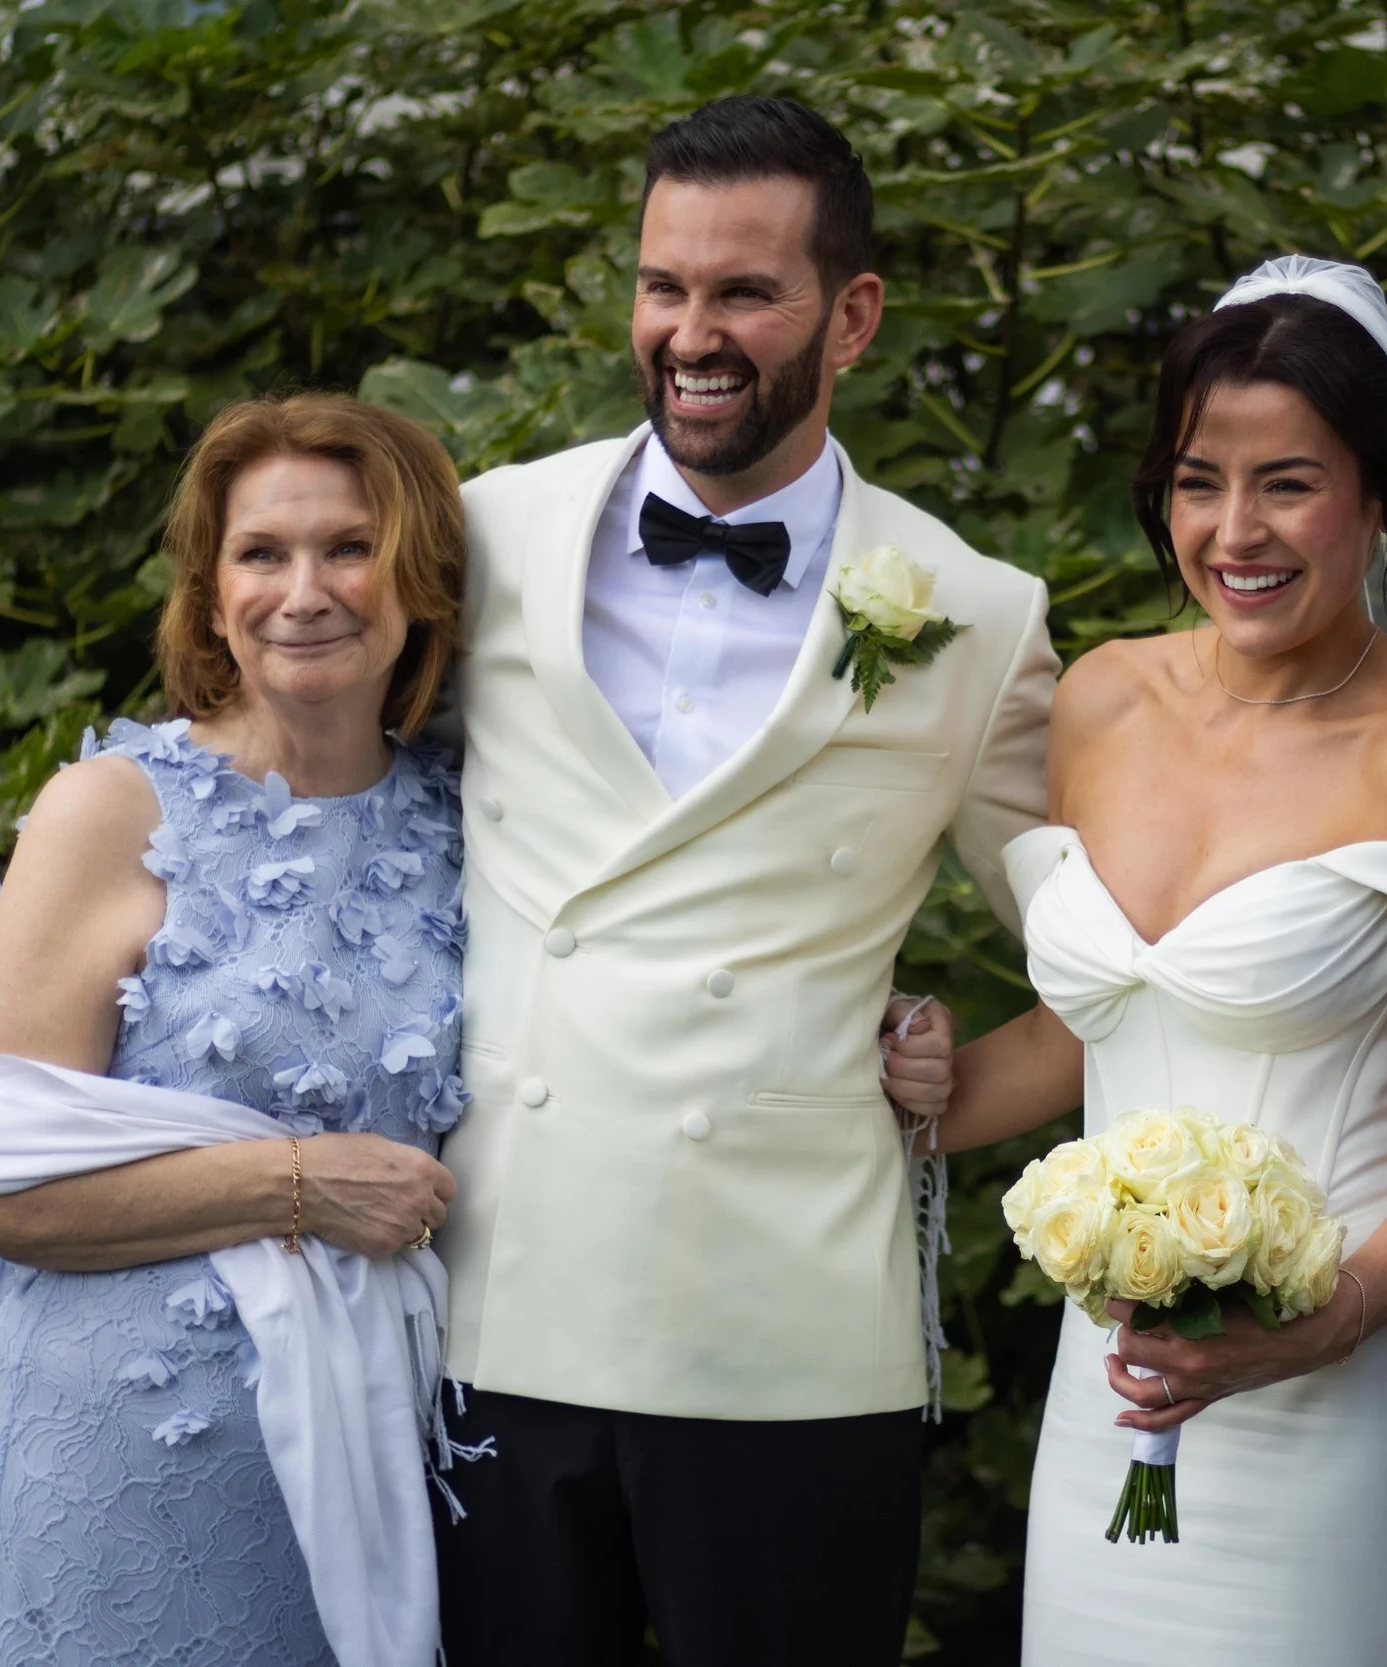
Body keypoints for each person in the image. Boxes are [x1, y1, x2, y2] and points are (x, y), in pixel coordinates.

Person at [429, 96, 1057, 1667]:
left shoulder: (972, 613)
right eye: (663, 286)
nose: (690, 334)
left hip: (788, 1333)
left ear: (852, 315)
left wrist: (958, 1085)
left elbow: (1109, 951)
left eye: (742, 293)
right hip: (500, 1296)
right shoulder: (484, 530)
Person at [886, 257, 1387, 1665]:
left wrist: (1324, 1316)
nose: (1235, 530)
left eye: (1288, 481)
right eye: (1196, 480)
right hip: (1117, 1390)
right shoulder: (1102, 697)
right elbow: (1085, 1028)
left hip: (1344, 1393)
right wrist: (921, 1081)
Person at [0, 392, 472, 1666]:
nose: (307, 590)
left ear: (420, 577)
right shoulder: (107, 810)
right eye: (261, 553)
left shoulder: (466, 820)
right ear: (210, 587)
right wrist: (297, 1183)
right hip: (119, 1461)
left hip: (379, 1453)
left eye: (350, 547)